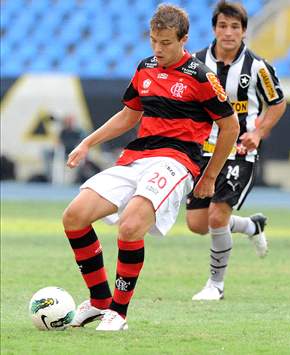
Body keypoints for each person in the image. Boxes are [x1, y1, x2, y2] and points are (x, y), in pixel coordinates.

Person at [62, 3, 239, 331]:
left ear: (184, 39)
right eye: (154, 41)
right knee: (74, 217)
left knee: (130, 227)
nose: (158, 49)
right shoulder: (145, 67)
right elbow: (130, 115)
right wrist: (88, 142)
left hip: (176, 161)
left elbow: (230, 127)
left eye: (166, 43)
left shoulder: (201, 76)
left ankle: (119, 312)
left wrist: (209, 176)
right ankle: (99, 301)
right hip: (136, 158)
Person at [185, 1, 286, 301]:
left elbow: (277, 103)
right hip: (204, 150)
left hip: (240, 151)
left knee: (217, 215)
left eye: (235, 27)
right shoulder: (196, 61)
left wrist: (259, 132)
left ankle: (215, 285)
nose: (228, 32)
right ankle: (250, 225)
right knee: (197, 225)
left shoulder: (257, 67)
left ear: (244, 31)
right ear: (214, 28)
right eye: (222, 26)